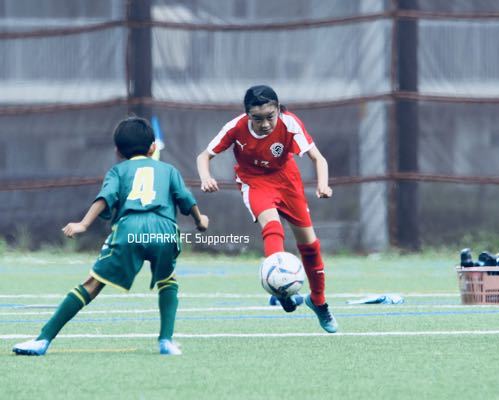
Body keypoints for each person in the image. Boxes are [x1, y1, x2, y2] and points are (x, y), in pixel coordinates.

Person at [13, 116, 209, 355]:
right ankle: (166, 340)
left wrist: (83, 224)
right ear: (153, 147)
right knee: (168, 280)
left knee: (92, 284)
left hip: (129, 229)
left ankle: (42, 340)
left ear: (117, 151)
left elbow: (106, 197)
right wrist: (201, 220)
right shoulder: (168, 170)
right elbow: (186, 199)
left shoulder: (117, 170)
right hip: (164, 230)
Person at [196, 85, 338, 333]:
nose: (264, 124)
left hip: (287, 180)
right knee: (272, 228)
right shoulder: (235, 128)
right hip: (255, 182)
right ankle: (282, 290)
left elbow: (319, 158)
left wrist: (323, 184)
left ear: (278, 110)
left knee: (310, 245)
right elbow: (203, 156)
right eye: (257, 118)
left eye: (269, 117)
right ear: (247, 115)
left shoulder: (290, 123)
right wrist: (205, 177)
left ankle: (318, 301)